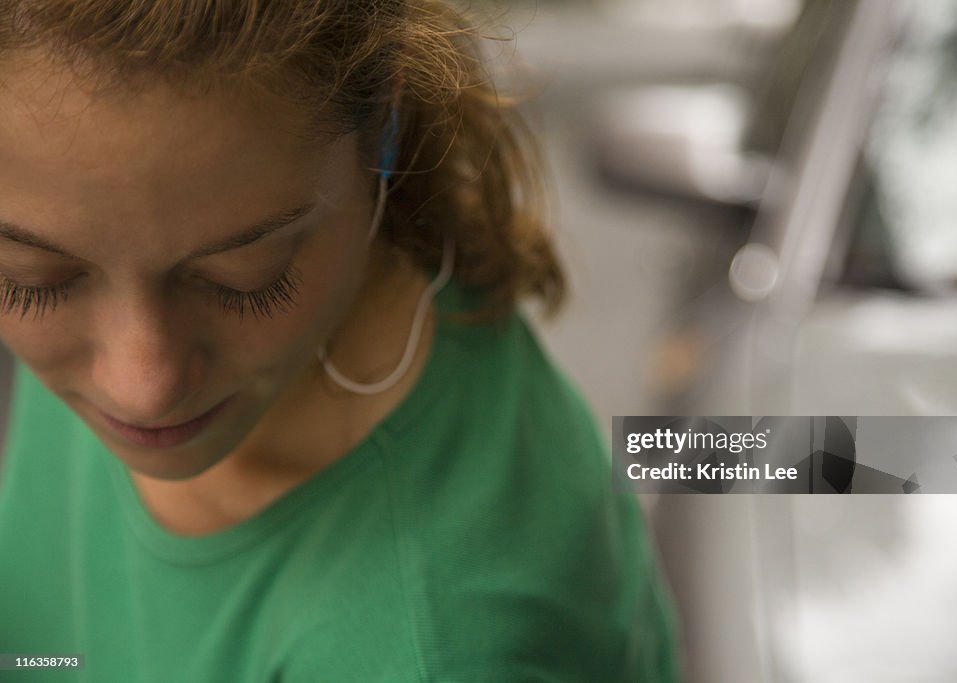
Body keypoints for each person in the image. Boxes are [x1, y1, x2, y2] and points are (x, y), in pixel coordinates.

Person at [0, 0, 681, 680]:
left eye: (242, 276)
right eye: (35, 280)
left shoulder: (432, 643)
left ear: (380, 134)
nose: (141, 385)